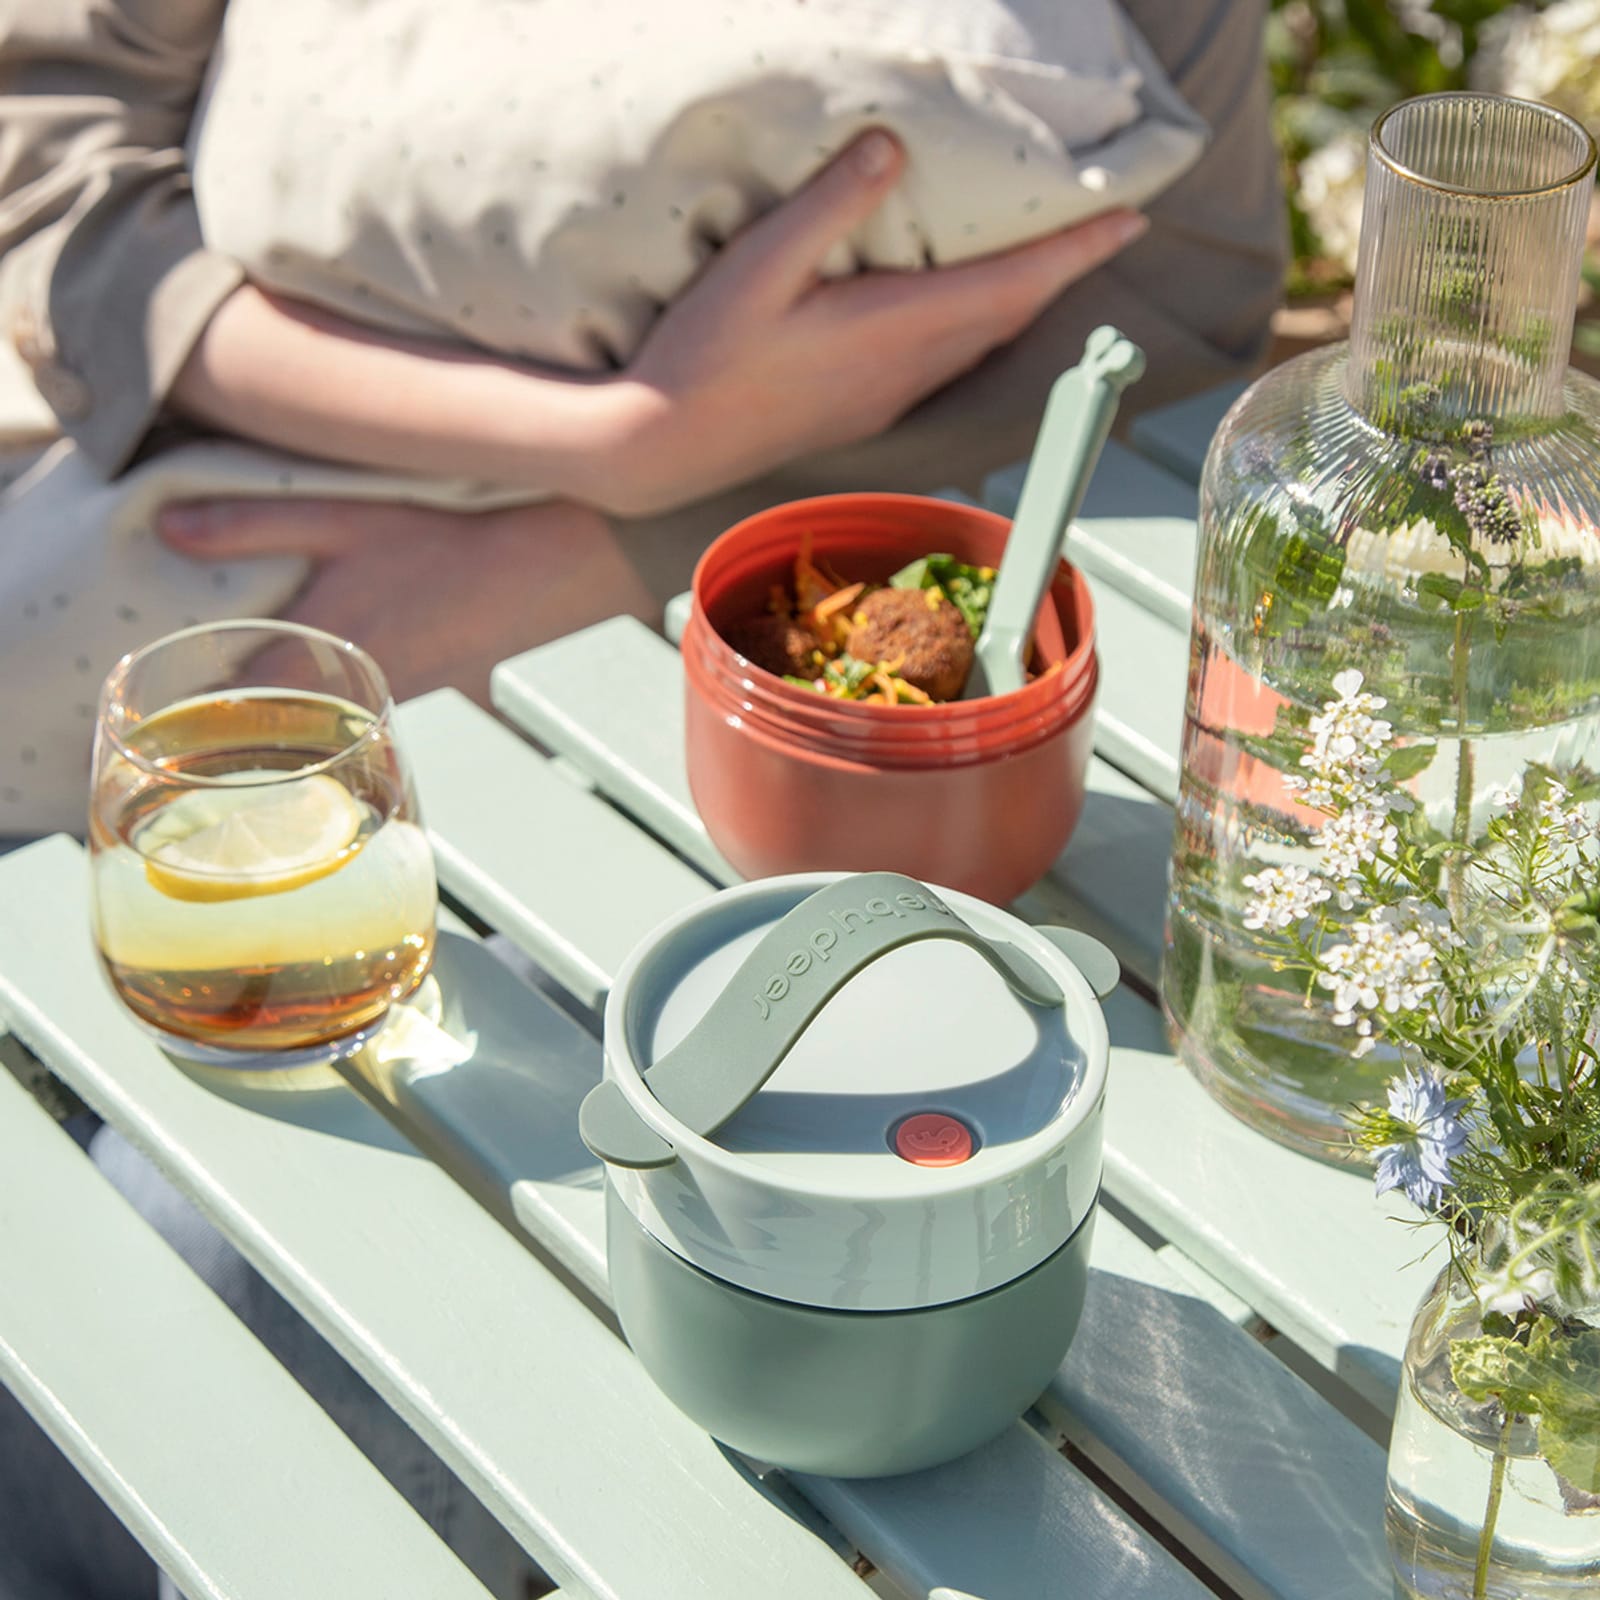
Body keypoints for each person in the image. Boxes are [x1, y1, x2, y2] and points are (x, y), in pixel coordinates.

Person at [0, 3, 1284, 1595]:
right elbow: (46, 136)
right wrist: (603, 442)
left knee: (281, 1287)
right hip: (179, 569)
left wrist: (614, 538)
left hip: (670, 694)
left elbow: (1186, 299)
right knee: (157, 1272)